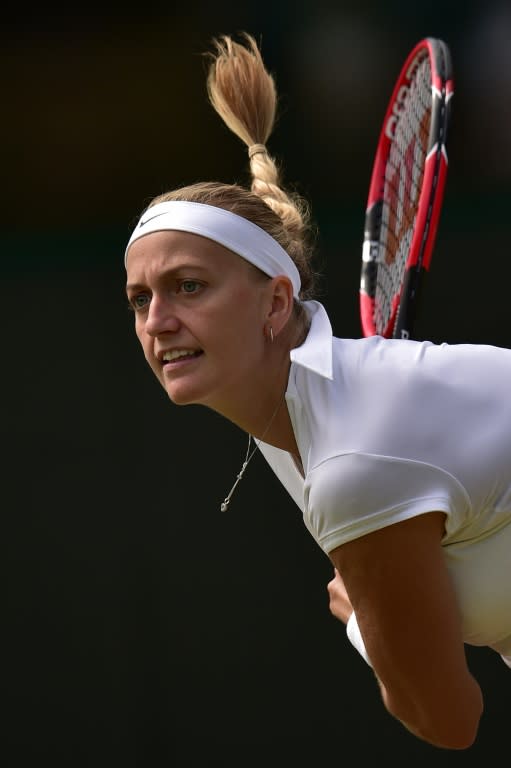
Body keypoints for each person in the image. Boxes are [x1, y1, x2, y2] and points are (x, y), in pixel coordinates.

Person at [124, 32, 510, 750]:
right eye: (139, 298)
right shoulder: (316, 429)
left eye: (187, 287)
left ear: (275, 304)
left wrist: (365, 623)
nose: (157, 321)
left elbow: (447, 720)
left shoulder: (351, 462)